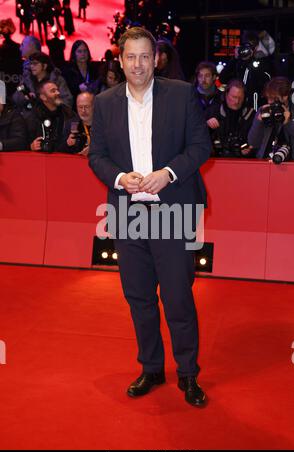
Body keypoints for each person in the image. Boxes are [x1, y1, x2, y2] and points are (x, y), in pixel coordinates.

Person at [89, 27, 211, 407]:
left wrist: (168, 173)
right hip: (128, 214)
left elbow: (200, 146)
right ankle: (152, 367)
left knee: (177, 298)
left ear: (155, 59)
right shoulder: (105, 102)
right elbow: (97, 156)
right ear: (120, 60)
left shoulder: (180, 94)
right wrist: (120, 177)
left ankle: (188, 374)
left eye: (145, 56)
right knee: (139, 298)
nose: (138, 64)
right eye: (131, 57)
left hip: (171, 212)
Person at [248, 76, 294, 161]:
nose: (269, 102)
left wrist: (288, 123)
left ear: (285, 96)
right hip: (266, 161)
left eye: (274, 98)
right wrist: (259, 122)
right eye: (268, 98)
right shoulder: (264, 110)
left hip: (293, 163)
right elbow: (253, 143)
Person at [206, 79, 255, 158]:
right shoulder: (213, 112)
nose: (236, 101)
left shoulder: (251, 115)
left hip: (243, 161)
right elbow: (197, 135)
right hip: (216, 159)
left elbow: (256, 142)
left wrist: (249, 150)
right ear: (226, 94)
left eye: (240, 98)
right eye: (234, 97)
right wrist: (207, 126)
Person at [24, 80, 76, 152]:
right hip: (39, 159)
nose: (58, 93)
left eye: (57, 90)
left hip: (63, 157)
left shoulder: (68, 113)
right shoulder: (32, 117)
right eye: (53, 91)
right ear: (43, 97)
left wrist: (69, 143)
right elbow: (21, 141)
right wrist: (30, 146)